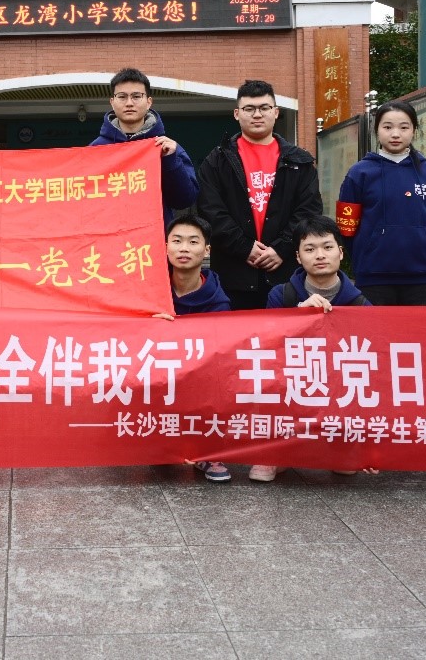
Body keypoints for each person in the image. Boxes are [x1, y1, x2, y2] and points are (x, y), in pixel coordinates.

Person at [251, 215, 372, 483]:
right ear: (298, 257)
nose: (320, 255)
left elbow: (374, 361)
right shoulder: (281, 295)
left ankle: (342, 445)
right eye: (310, 249)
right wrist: (298, 316)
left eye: (327, 247)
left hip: (338, 389)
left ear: (341, 252)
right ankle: (273, 449)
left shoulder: (361, 303)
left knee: (346, 468)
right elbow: (266, 346)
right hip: (291, 384)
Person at [197, 79, 323, 310]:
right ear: (237, 114)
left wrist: (281, 248)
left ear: (276, 112)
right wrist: (244, 247)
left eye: (264, 108)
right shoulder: (217, 161)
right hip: (233, 275)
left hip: (286, 275)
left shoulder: (300, 162)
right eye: (249, 109)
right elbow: (210, 210)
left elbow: (309, 211)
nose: (257, 114)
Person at [336, 100, 426, 305]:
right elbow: (346, 228)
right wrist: (366, 253)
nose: (395, 134)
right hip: (373, 275)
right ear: (376, 130)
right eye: (387, 127)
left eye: (404, 127)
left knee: (421, 327)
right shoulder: (359, 173)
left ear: (414, 131)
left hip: (422, 275)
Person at [161, 213, 233, 483]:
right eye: (177, 241)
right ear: (165, 247)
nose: (184, 248)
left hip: (199, 376)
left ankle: (208, 449)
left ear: (207, 250)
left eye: (193, 242)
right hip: (160, 371)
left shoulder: (219, 302)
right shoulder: (151, 292)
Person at [90, 68, 198, 225]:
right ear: (112, 102)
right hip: (109, 234)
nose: (129, 103)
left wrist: (170, 162)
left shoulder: (167, 148)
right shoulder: (95, 149)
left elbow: (185, 200)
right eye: (122, 97)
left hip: (153, 234)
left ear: (149, 102)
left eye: (136, 96)